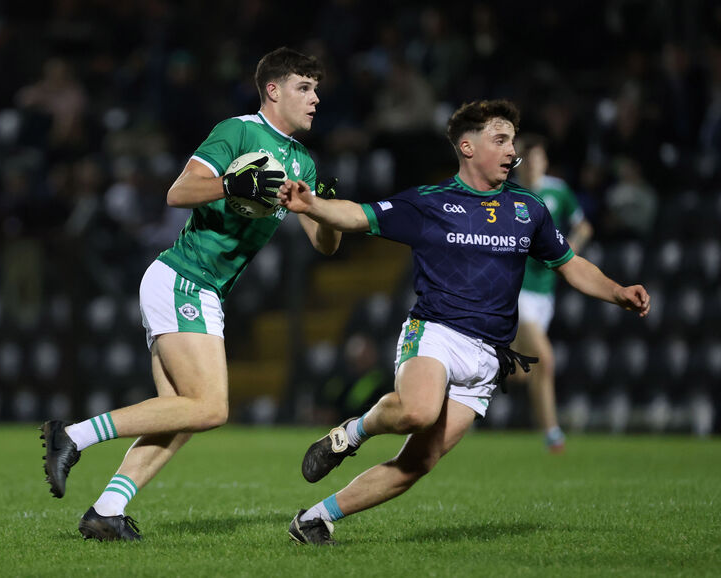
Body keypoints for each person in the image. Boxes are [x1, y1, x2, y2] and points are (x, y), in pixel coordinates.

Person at [277, 99, 650, 546]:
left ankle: (315, 520)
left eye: (513, 140)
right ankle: (351, 434)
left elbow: (570, 264)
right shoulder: (429, 203)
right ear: (467, 147)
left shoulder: (528, 209)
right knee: (417, 410)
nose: (513, 150)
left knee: (418, 464)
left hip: (488, 359)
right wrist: (313, 205)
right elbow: (358, 215)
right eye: (501, 139)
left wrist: (617, 291)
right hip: (436, 332)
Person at [40, 47, 341, 541]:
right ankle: (72, 435)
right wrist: (230, 182)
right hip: (184, 277)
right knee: (211, 407)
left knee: (180, 414)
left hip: (203, 289)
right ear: (273, 90)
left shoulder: (303, 163)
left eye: (316, 89)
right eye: (304, 88)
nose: (315, 99)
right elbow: (177, 193)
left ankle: (105, 512)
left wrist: (321, 210)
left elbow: (325, 246)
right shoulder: (238, 131)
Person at [509, 134, 593, 452]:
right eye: (526, 159)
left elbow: (584, 226)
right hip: (516, 290)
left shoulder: (558, 191)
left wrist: (567, 254)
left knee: (518, 374)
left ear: (545, 162)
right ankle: (553, 434)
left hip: (546, 294)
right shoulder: (506, 193)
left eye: (537, 159)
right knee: (545, 359)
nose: (531, 165)